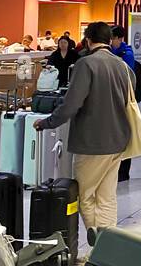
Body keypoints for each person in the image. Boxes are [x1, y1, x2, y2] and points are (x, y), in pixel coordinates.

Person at [32, 21, 133, 237]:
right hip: (118, 141)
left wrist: (47, 122)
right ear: (109, 40)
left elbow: (71, 104)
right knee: (107, 196)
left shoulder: (86, 64)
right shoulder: (122, 65)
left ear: (88, 40)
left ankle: (95, 238)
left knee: (85, 195)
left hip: (91, 143)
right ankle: (108, 246)